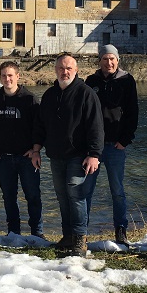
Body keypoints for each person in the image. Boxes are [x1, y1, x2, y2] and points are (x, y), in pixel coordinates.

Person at [32, 53, 104, 257]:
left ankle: (80, 238)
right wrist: (36, 150)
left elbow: (96, 126)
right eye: (61, 68)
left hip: (79, 155)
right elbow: (40, 125)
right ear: (55, 70)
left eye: (69, 68)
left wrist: (94, 154)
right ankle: (68, 235)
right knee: (62, 196)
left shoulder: (86, 94)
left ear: (76, 70)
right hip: (56, 155)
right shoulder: (50, 95)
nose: (65, 72)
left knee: (76, 194)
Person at [84, 44, 138, 246]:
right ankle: (82, 231)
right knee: (86, 190)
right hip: (93, 148)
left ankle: (121, 229)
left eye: (112, 59)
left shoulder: (127, 80)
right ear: (99, 61)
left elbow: (133, 112)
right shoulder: (91, 82)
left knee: (117, 191)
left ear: (117, 60)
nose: (109, 62)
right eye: (105, 59)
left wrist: (125, 140)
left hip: (116, 146)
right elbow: (85, 114)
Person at [0, 60, 44, 238]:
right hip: (3, 158)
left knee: (33, 195)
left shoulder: (29, 99)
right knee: (9, 197)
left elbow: (39, 127)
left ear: (18, 76)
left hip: (27, 157)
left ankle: (37, 232)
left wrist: (35, 150)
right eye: (4, 76)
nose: (7, 79)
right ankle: (13, 232)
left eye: (10, 75)